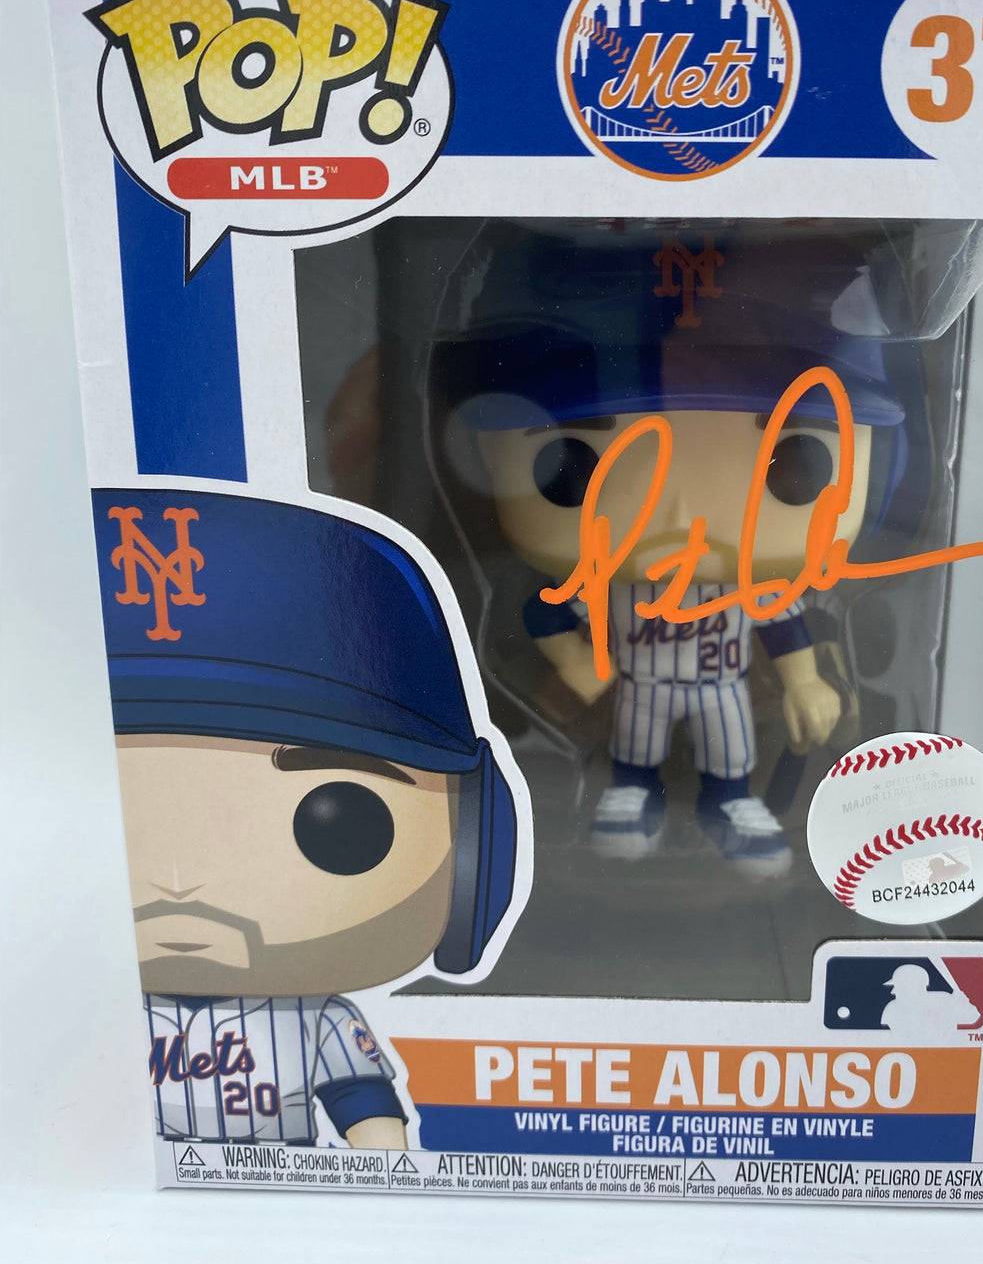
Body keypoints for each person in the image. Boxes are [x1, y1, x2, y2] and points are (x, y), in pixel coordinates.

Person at [435, 221, 908, 878]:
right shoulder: (607, 578)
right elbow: (546, 611)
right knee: (636, 752)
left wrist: (804, 682)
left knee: (729, 752)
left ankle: (732, 802)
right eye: (570, 467)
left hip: (720, 686)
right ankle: (632, 793)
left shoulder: (749, 583)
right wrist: (574, 658)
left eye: (793, 463)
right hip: (644, 687)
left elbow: (783, 624)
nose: (684, 516)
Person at [96, 489, 522, 1148]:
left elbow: (367, 1110)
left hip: (287, 1192)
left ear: (471, 846)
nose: (179, 881)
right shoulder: (90, 1012)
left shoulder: (315, 1016)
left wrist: (382, 1175)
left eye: (336, 823)